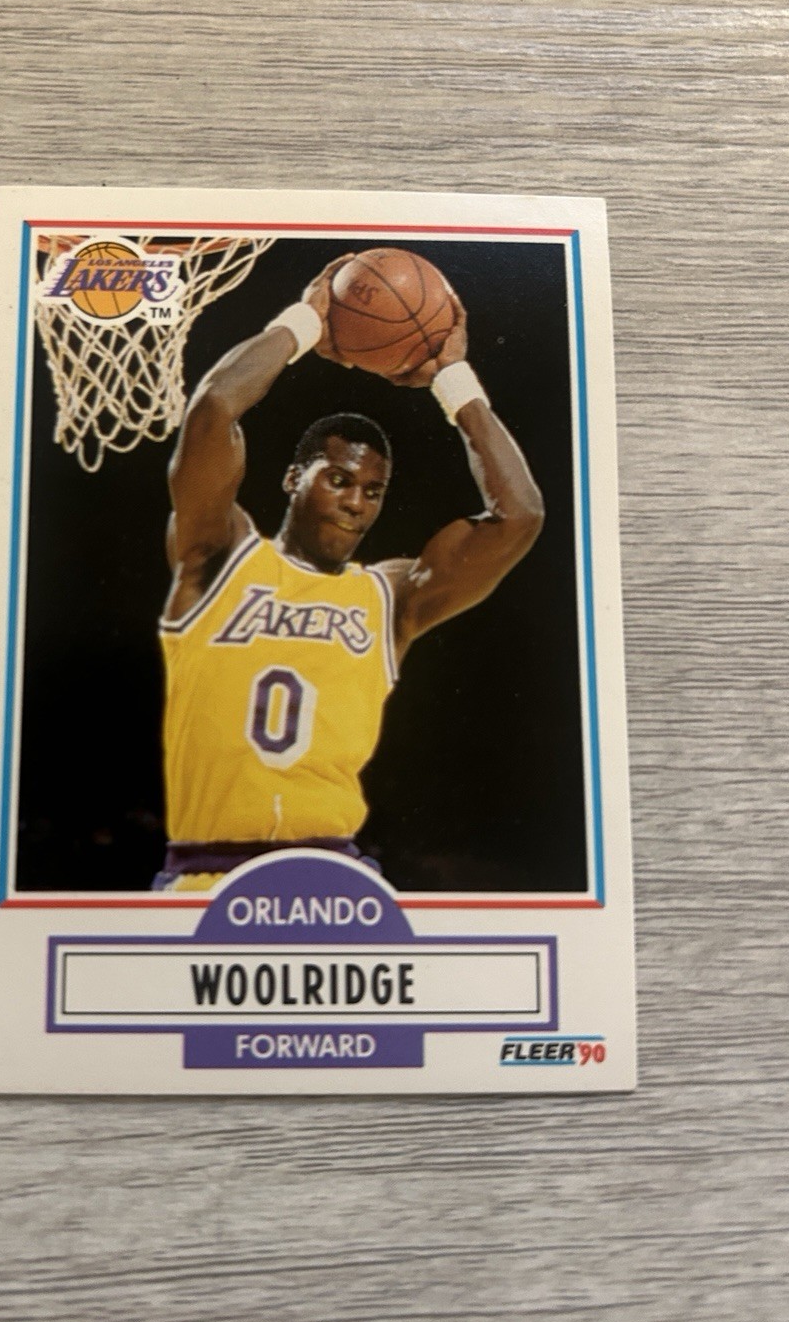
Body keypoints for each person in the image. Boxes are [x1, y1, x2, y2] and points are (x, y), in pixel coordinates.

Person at [153, 256, 545, 891]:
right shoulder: (219, 556)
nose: (356, 501)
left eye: (372, 490)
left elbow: (519, 515)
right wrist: (305, 323)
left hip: (334, 880)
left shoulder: (390, 597)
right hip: (208, 874)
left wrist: (453, 379)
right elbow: (215, 410)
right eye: (337, 479)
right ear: (293, 479)